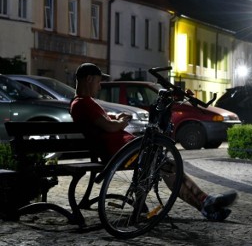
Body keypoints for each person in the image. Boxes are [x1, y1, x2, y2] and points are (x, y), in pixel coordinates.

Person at [69, 63, 237, 221]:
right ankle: (205, 203)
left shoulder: (87, 103)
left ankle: (206, 203)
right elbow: (110, 127)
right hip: (121, 153)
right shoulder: (81, 104)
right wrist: (121, 123)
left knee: (168, 165)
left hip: (126, 150)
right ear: (89, 79)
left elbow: (105, 120)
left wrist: (118, 118)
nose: (99, 87)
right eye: (98, 82)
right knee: (168, 166)